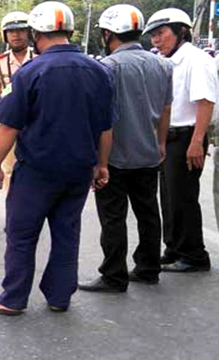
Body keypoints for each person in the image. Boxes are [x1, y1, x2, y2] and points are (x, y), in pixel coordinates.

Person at [0, 1, 114, 315]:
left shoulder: (30, 72)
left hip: (37, 172)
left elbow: (9, 125)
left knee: (22, 235)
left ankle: (11, 299)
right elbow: (106, 127)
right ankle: (59, 297)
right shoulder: (99, 70)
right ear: (69, 30)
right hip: (80, 169)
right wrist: (102, 164)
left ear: (35, 33)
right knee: (67, 233)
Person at [79, 5, 173, 293]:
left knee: (113, 217)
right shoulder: (163, 64)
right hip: (149, 154)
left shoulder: (107, 67)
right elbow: (166, 108)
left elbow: (102, 120)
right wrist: (160, 143)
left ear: (108, 34)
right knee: (148, 212)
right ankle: (148, 268)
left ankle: (114, 275)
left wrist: (99, 161)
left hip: (116, 157)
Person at [144, 8, 218, 272]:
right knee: (168, 197)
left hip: (188, 136)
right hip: (170, 138)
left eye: (161, 33)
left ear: (180, 31)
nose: (156, 40)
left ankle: (194, 255)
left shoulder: (196, 60)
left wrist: (197, 142)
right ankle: (174, 248)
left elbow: (205, 102)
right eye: (153, 35)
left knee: (183, 197)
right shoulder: (168, 61)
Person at [0, 11, 34, 192]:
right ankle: (13, 210)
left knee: (38, 170)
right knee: (9, 170)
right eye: (11, 31)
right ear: (5, 35)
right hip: (10, 124)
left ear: (29, 33)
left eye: (21, 30)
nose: (16, 35)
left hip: (37, 123)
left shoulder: (40, 58)